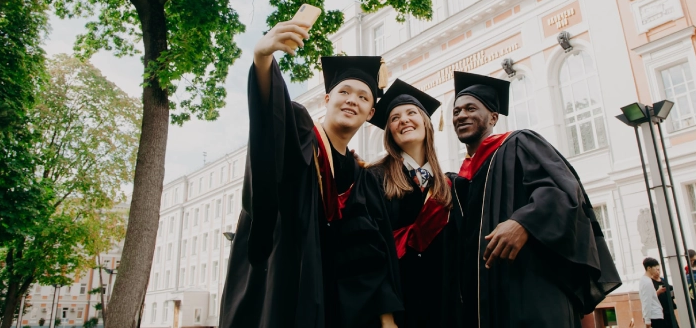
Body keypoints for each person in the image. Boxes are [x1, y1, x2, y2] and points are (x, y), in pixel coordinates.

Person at [219, 20, 402, 328]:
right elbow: (271, 120)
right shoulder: (302, 132)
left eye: (363, 96)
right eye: (344, 91)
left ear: (371, 113)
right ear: (327, 99)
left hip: (327, 298)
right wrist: (263, 60)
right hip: (279, 281)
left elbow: (365, 254)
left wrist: (385, 317)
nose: (351, 100)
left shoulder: (359, 178)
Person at [447, 71, 621, 327]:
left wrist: (524, 223)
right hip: (484, 303)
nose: (461, 115)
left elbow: (562, 190)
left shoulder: (519, 143)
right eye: (456, 111)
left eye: (471, 108)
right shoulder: (462, 180)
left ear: (493, 117)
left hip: (532, 292)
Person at [368, 79, 462, 328]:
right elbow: (368, 251)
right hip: (398, 309)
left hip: (444, 310)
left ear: (426, 123)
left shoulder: (448, 186)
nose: (404, 120)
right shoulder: (375, 178)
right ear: (389, 131)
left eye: (411, 112)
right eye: (395, 117)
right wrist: (386, 317)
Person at [639, 258, 667, 328]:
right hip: (654, 316)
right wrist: (647, 321)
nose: (656, 270)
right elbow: (647, 301)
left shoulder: (645, 280)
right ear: (649, 268)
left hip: (654, 315)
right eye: (655, 268)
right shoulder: (647, 282)